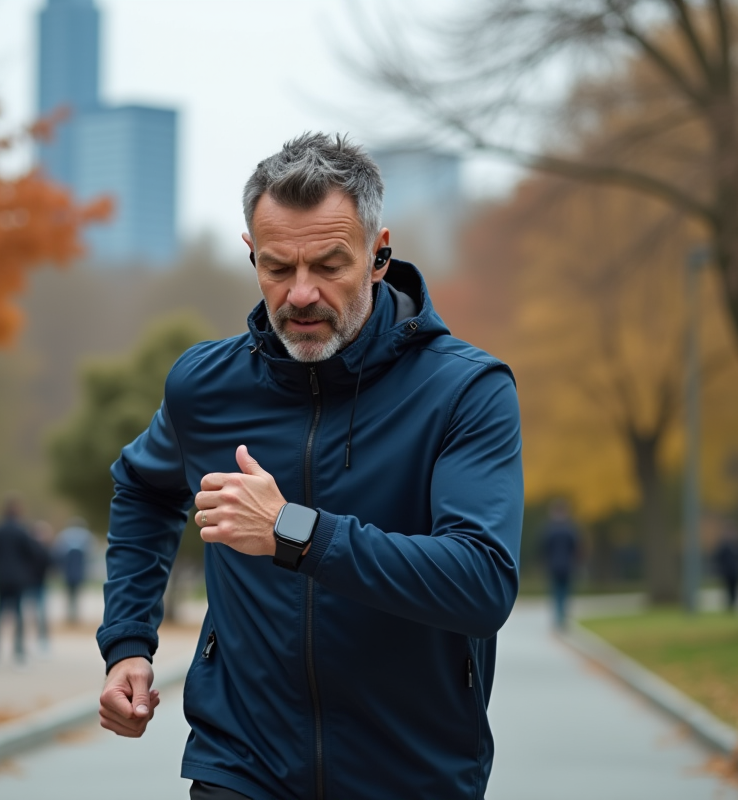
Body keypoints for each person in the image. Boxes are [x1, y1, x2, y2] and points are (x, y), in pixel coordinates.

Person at [96, 133, 523, 800]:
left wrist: (294, 532)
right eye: (276, 268)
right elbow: (144, 492)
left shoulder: (465, 392)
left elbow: (481, 584)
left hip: (412, 772)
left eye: (329, 265)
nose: (300, 294)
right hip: (241, 764)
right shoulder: (204, 387)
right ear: (251, 255)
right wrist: (127, 642)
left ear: (379, 255)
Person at [0, 498, 42, 664]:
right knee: (18, 614)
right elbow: (32, 552)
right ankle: (18, 652)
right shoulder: (21, 531)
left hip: (1, 577)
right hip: (18, 578)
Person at [539, 499, 579, 629]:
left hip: (553, 565)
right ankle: (562, 616)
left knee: (556, 591)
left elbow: (544, 548)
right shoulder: (570, 529)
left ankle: (558, 616)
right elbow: (575, 547)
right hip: (567, 565)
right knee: (565, 591)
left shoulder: (549, 529)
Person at [55, 517, 93, 624]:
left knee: (69, 595)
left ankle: (70, 616)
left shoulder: (64, 536)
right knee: (76, 595)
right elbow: (89, 556)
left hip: (67, 572)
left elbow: (59, 554)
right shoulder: (86, 536)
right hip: (79, 572)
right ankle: (75, 616)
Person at [26, 520, 54, 653]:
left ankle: (42, 641)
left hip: (40, 583)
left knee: (41, 614)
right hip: (29, 584)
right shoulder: (30, 547)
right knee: (28, 614)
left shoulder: (45, 548)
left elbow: (50, 564)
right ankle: (27, 641)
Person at [712, 522, 738, 612]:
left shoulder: (737, 543)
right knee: (728, 588)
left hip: (736, 570)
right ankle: (729, 604)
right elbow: (718, 557)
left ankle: (734, 604)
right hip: (727, 570)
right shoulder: (723, 545)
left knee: (735, 588)